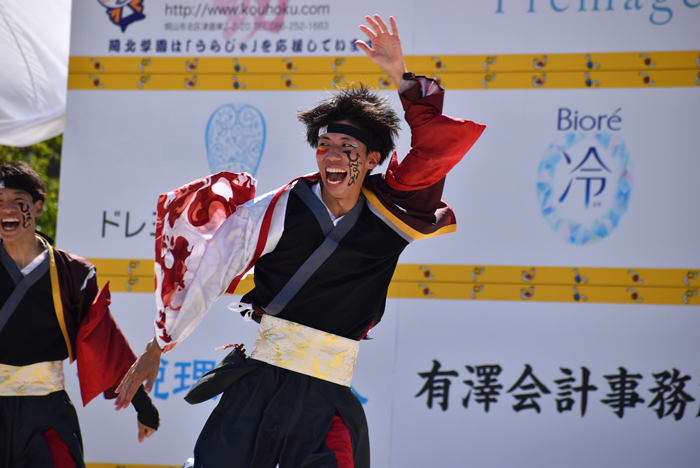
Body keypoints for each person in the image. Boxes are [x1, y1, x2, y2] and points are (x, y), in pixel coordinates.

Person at [115, 14, 485, 468]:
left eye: (346, 149)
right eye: (323, 145)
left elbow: (435, 150)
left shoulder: (393, 214)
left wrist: (400, 78)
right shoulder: (276, 210)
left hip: (327, 400)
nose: (331, 156)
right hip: (257, 386)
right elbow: (210, 273)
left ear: (372, 159)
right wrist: (157, 348)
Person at [0, 161, 159, 468]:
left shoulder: (73, 273)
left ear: (38, 206)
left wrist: (143, 405)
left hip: (46, 410)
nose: (6, 209)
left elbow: (104, 342)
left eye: (17, 201)